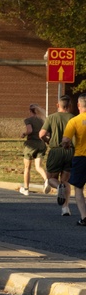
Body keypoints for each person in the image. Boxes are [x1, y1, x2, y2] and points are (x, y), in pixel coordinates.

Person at [40, 96, 74, 216]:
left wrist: (47, 140)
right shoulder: (73, 118)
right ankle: (65, 208)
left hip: (56, 151)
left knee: (50, 179)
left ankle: (58, 187)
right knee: (66, 181)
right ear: (69, 106)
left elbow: (42, 134)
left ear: (57, 105)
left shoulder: (52, 117)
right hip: (70, 151)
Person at [61, 95, 86, 226]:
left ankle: (84, 217)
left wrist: (66, 145)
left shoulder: (74, 121)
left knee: (79, 188)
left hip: (81, 157)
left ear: (78, 105)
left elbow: (65, 140)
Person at [20, 104, 49, 195]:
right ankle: (46, 180)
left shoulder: (28, 120)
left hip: (31, 145)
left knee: (27, 168)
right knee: (38, 166)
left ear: (30, 111)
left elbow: (29, 130)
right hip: (40, 144)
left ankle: (26, 189)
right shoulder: (42, 121)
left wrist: (24, 134)